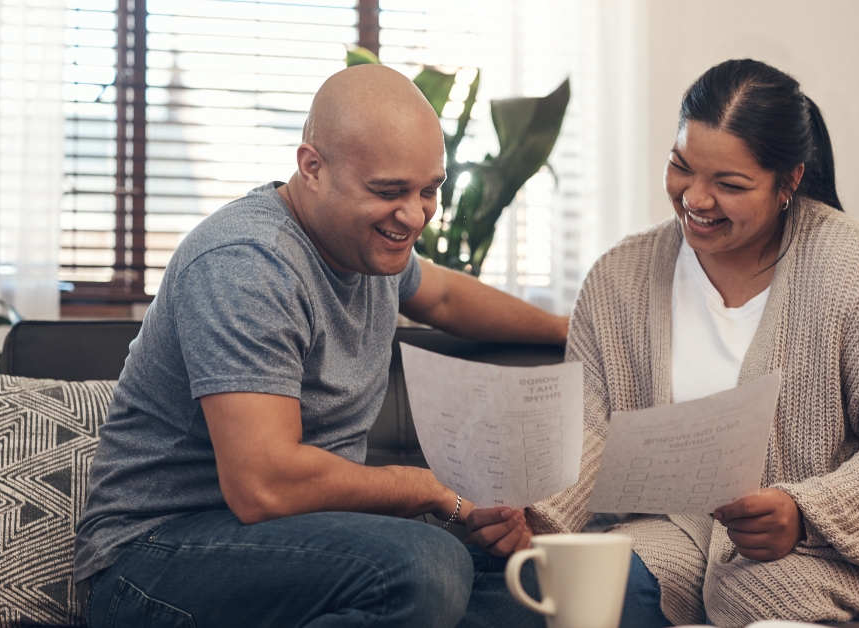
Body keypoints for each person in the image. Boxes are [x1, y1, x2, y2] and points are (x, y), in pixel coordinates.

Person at [459, 59, 859, 627]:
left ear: (790, 182)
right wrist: (535, 511)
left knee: (762, 593)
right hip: (676, 533)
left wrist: (806, 512)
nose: (696, 199)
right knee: (547, 588)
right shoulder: (617, 279)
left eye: (729, 185)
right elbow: (591, 429)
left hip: (844, 553)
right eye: (681, 167)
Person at [73, 64, 565, 628]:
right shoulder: (246, 263)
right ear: (312, 168)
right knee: (423, 566)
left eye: (429, 190)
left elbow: (448, 297)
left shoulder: (373, 247)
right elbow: (264, 486)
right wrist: (427, 489)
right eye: (388, 191)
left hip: (298, 545)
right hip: (154, 558)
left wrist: (565, 328)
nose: (414, 215)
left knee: (523, 589)